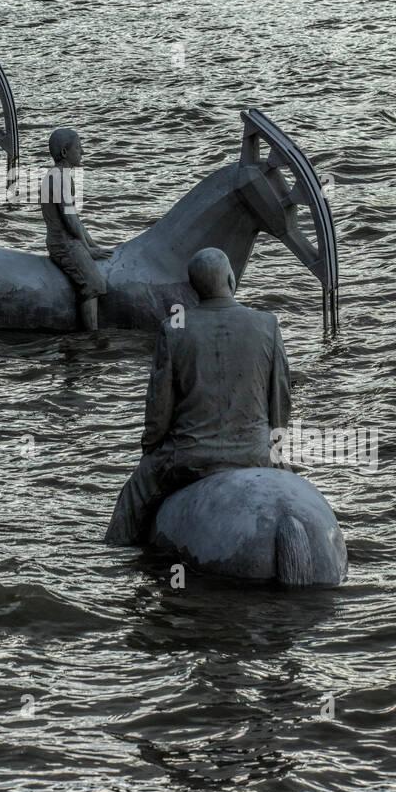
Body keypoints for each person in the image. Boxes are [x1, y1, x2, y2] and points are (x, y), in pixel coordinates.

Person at [105, 247, 292, 545]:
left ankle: (116, 559)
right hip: (255, 452)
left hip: (191, 456)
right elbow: (280, 396)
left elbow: (159, 408)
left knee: (133, 496)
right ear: (231, 278)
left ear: (194, 288)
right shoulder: (267, 324)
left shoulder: (173, 330)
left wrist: (150, 448)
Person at [39, 127, 110, 331]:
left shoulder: (58, 175)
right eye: (78, 147)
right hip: (63, 243)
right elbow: (70, 220)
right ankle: (91, 334)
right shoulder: (59, 177)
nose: (82, 152)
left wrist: (92, 244)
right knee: (94, 283)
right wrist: (87, 249)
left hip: (67, 239)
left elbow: (75, 219)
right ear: (64, 153)